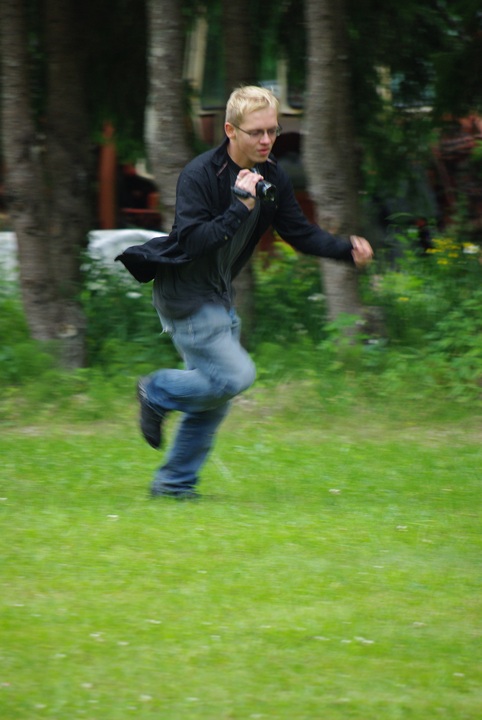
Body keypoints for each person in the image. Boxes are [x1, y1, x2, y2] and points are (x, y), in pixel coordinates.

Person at [117, 85, 373, 500]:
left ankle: (173, 486)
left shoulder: (272, 176)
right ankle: (157, 390)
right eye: (256, 132)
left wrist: (345, 250)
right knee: (236, 376)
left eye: (272, 130)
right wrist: (240, 207)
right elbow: (193, 241)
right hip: (185, 292)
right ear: (230, 130)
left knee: (214, 398)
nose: (267, 140)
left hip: (217, 293)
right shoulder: (200, 175)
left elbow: (298, 233)